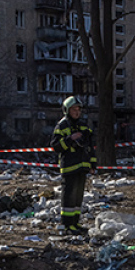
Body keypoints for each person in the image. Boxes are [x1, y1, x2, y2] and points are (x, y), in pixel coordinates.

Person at [50, 95, 96, 235]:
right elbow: (55, 146)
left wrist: (93, 164)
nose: (77, 112)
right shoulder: (62, 125)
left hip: (82, 167)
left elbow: (89, 146)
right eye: (74, 109)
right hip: (69, 166)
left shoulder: (83, 125)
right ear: (67, 110)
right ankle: (67, 224)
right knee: (69, 196)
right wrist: (70, 139)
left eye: (78, 109)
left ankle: (75, 223)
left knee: (78, 197)